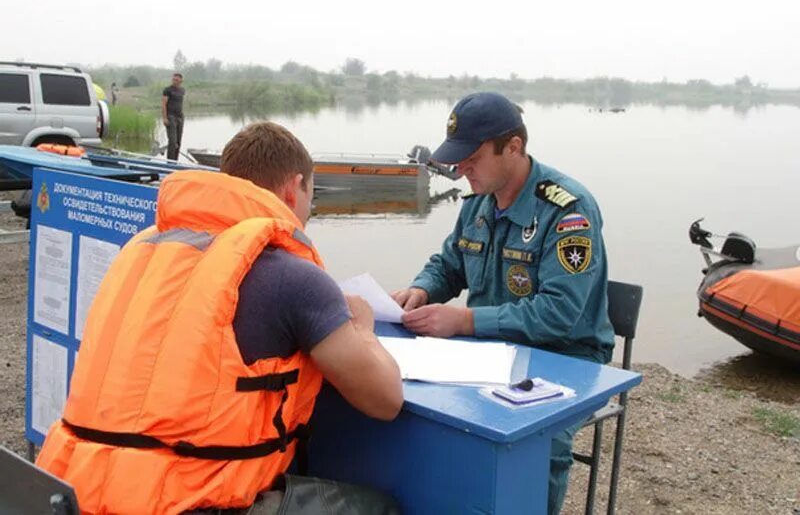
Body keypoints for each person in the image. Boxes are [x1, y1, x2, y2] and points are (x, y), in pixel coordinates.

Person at [36, 122, 403, 514]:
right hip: (183, 503)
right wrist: (363, 329)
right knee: (379, 508)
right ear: (293, 188)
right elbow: (385, 401)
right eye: (310, 197)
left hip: (81, 487)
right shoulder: (294, 277)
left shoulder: (142, 252)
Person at [392, 92, 614, 515]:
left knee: (537, 440)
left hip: (567, 357)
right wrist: (420, 290)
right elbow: (450, 264)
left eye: (471, 158)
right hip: (489, 353)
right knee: (418, 411)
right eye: (458, 159)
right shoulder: (478, 202)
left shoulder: (567, 211)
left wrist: (464, 321)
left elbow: (560, 314)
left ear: (513, 147)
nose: (460, 170)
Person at [162, 72, 185, 160]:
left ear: (181, 80)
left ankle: (176, 161)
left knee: (178, 141)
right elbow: (164, 104)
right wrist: (164, 118)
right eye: (173, 79)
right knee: (172, 141)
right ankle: (170, 163)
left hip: (180, 117)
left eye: (177, 80)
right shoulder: (167, 90)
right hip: (171, 117)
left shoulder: (182, 90)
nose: (174, 81)